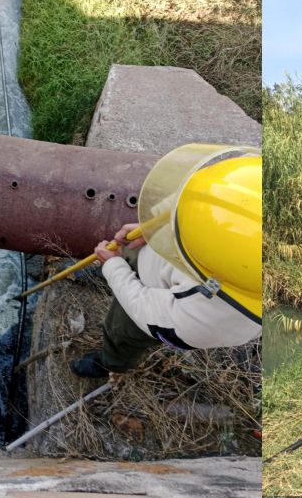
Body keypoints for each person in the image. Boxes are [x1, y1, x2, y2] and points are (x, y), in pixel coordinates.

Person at [70, 153, 262, 378]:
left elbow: (144, 309)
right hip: (158, 264)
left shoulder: (213, 319)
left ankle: (110, 363)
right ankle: (114, 273)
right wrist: (152, 228)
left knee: (123, 332)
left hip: (156, 299)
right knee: (127, 260)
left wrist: (113, 267)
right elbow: (201, 203)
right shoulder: (255, 194)